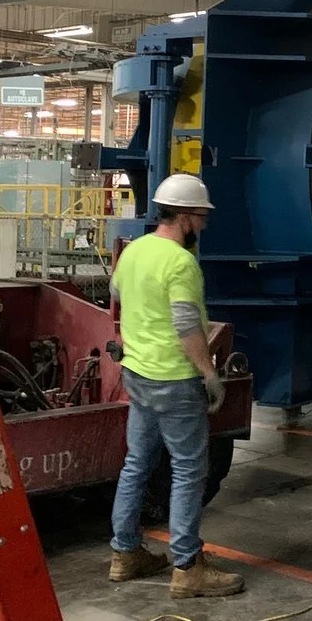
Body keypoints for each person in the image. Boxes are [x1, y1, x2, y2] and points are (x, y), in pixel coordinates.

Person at [107, 173, 243, 599]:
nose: (203, 225)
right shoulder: (181, 263)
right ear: (184, 217)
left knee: (136, 463)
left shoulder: (135, 250)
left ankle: (125, 553)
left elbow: (116, 291)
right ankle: (186, 567)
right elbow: (186, 323)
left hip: (137, 374)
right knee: (187, 470)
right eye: (200, 218)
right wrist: (209, 373)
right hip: (173, 379)